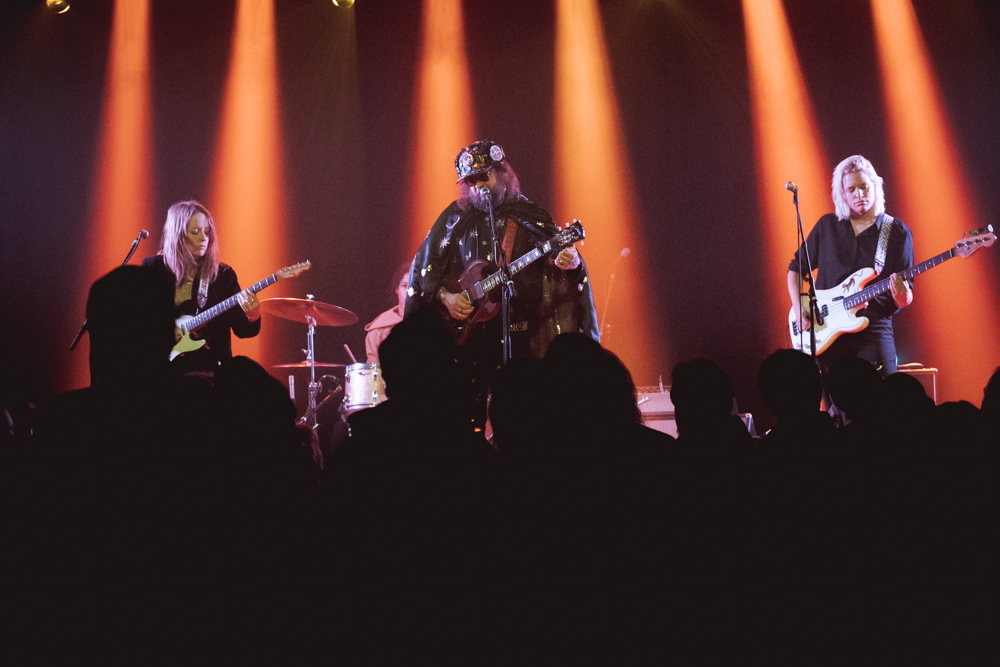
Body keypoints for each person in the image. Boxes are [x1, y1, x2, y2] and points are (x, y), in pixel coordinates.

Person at [405, 141, 599, 424]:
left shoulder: (530, 214)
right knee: (463, 422)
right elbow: (423, 268)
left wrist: (571, 263)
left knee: (524, 420)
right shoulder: (453, 217)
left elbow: (562, 261)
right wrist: (446, 296)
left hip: (523, 336)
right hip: (470, 340)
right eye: (469, 181)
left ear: (502, 171)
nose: (476, 187)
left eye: (483, 176)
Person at [787, 155, 914, 378]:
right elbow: (795, 269)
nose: (859, 194)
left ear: (875, 186)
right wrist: (799, 309)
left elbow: (905, 297)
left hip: (874, 330)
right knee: (836, 408)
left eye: (864, 187)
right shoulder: (828, 226)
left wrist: (902, 296)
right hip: (827, 333)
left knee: (884, 401)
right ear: (842, 194)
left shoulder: (896, 231)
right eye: (851, 189)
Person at [142, 200, 261, 376]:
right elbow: (139, 321)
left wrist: (254, 315)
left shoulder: (222, 274)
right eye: (195, 232)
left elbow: (243, 331)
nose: (203, 238)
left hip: (213, 372)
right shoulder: (154, 268)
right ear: (178, 234)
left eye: (207, 232)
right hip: (165, 374)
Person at [363, 261, 411, 364]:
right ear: (396, 289)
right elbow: (374, 373)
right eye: (404, 285)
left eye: (414, 286)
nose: (409, 292)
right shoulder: (378, 330)